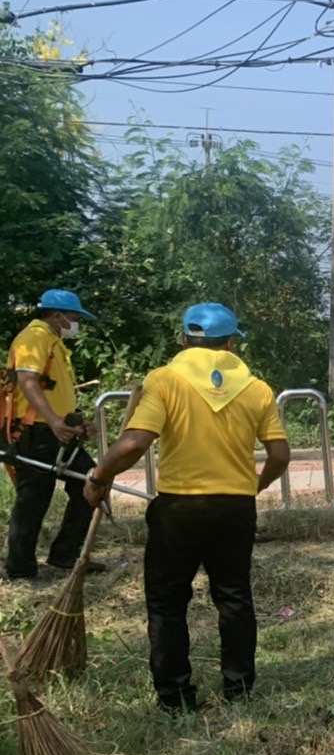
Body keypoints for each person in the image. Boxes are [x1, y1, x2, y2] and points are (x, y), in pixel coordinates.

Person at [83, 304, 291, 713]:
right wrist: (254, 485)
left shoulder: (164, 380)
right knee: (234, 598)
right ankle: (239, 689)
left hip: (178, 508)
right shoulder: (257, 388)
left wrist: (98, 477)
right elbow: (280, 455)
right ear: (232, 343)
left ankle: (175, 697)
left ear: (183, 339)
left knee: (166, 603)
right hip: (234, 508)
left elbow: (134, 443)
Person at [5, 289, 102, 581]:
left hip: (59, 431)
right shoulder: (33, 337)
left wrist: (76, 423)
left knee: (91, 482)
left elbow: (55, 391)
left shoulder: (54, 342)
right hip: (37, 432)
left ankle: (64, 556)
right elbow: (27, 381)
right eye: (74, 317)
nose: (76, 322)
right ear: (57, 315)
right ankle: (20, 569)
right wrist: (54, 421)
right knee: (34, 498)